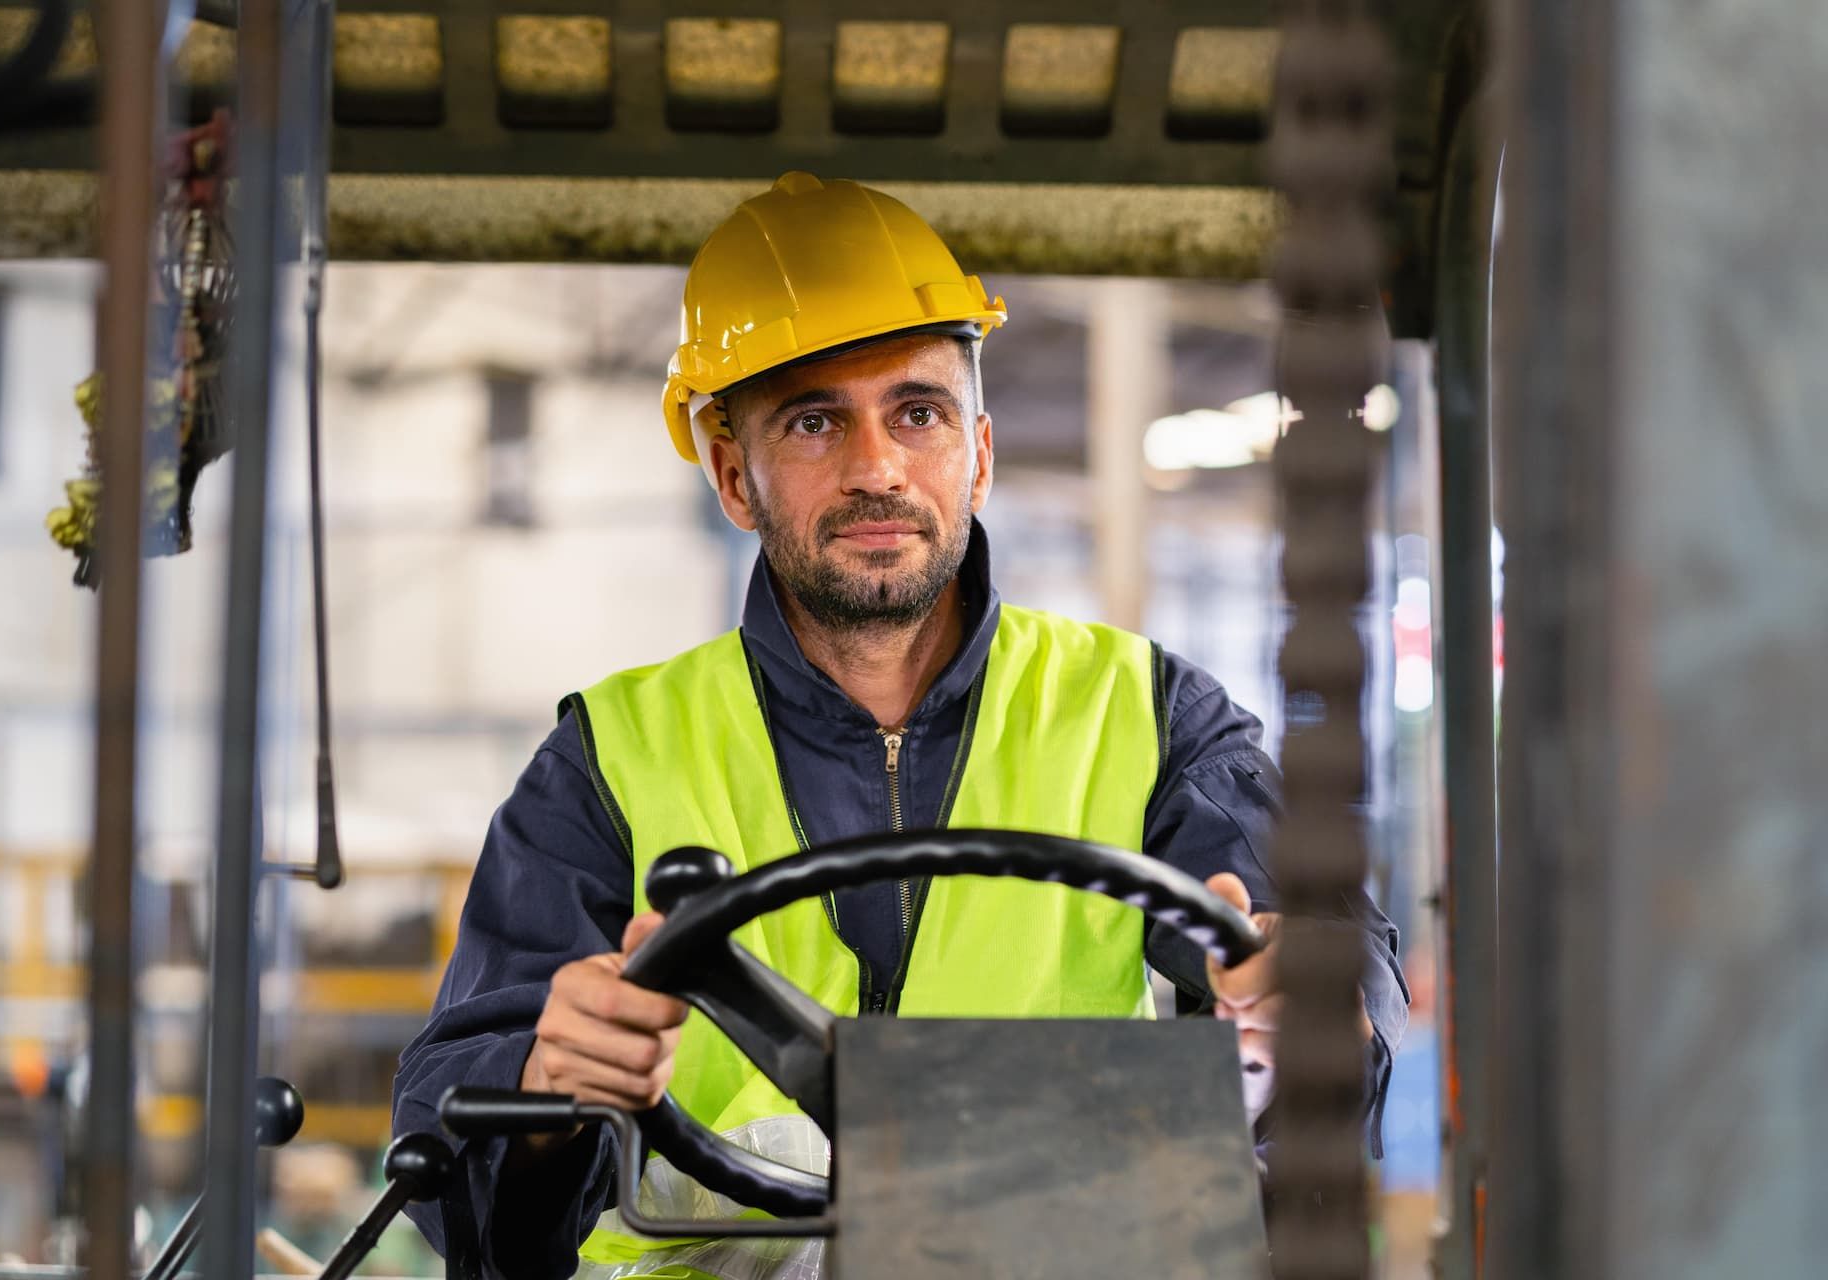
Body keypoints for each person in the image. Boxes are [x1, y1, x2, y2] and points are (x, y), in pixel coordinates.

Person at [392, 172, 1407, 1280]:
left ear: (978, 453)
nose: (876, 468)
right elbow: (457, 1162)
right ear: (734, 477)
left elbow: (1326, 988)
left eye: (916, 413)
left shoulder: (1153, 719)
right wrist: (548, 1093)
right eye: (814, 420)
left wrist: (1307, 1005)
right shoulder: (607, 759)